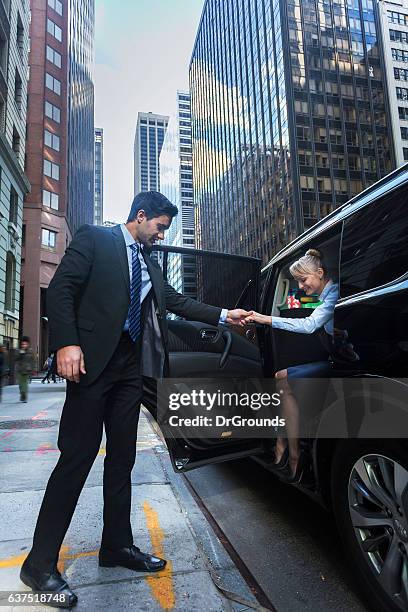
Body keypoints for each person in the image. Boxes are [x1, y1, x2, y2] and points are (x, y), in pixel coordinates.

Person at [20, 191, 249, 608]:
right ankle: (38, 564)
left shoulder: (148, 262)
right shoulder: (95, 239)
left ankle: (117, 546)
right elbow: (61, 291)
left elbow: (177, 303)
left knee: (123, 458)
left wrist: (223, 315)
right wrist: (66, 343)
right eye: (160, 227)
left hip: (129, 370)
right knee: (77, 459)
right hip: (91, 364)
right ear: (141, 217)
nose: (161, 236)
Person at [246, 249, 339, 484]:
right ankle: (283, 444)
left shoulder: (335, 293)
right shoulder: (325, 296)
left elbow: (309, 326)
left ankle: (293, 454)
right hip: (336, 359)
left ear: (320, 273)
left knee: (284, 382)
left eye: (303, 279)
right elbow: (304, 312)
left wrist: (265, 318)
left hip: (341, 364)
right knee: (280, 375)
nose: (300, 285)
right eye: (297, 280)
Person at [14, 336, 35, 402]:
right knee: (20, 384)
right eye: (23, 344)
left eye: (25, 344)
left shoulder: (30, 351)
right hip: (19, 369)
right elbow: (15, 359)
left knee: (25, 383)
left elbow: (33, 361)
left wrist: (33, 369)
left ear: (28, 344)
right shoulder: (18, 351)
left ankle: (24, 395)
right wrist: (20, 354)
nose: (24, 345)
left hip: (27, 370)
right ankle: (22, 393)